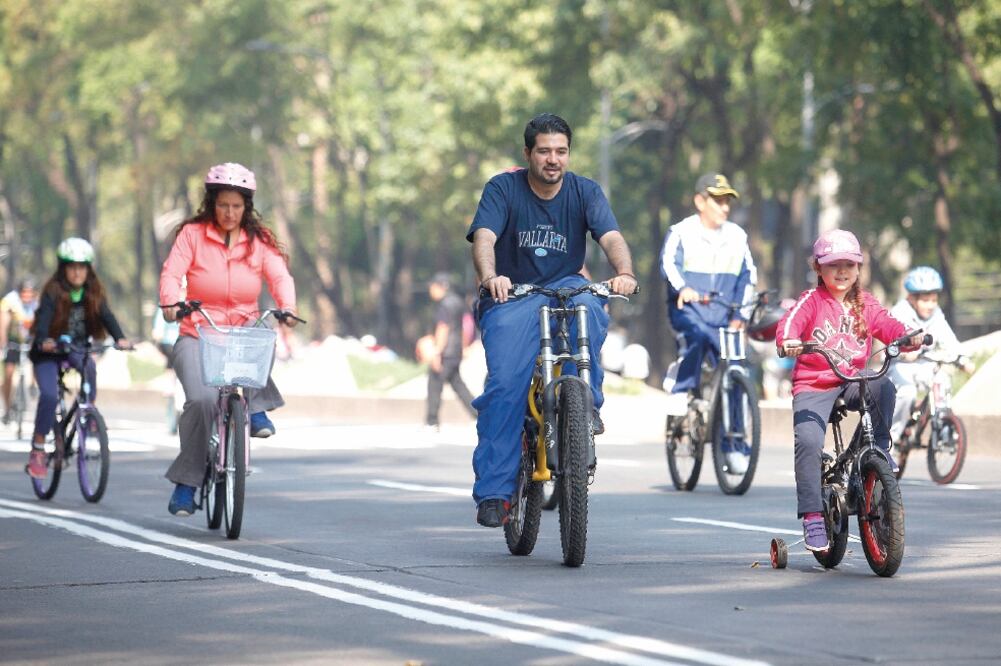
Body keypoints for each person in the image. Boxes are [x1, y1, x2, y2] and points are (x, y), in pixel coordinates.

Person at [467, 113, 638, 527]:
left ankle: (585, 407)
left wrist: (625, 273)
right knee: (505, 387)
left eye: (561, 151)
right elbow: (485, 236)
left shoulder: (585, 191)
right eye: (543, 151)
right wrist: (491, 278)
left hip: (565, 286)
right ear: (528, 153)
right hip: (514, 293)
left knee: (593, 307)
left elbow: (611, 236)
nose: (553, 159)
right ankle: (495, 493)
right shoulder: (503, 188)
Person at [159, 162, 298, 516]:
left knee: (264, 330)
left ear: (246, 206)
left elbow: (280, 276)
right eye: (223, 205)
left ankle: (252, 407)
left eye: (237, 206)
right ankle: (188, 483)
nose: (230, 213)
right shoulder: (192, 234)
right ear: (211, 203)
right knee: (203, 402)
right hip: (198, 332)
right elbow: (172, 273)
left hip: (242, 330)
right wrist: (171, 304)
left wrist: (288, 308)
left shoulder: (259, 241)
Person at [775, 229, 922, 552]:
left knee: (882, 383)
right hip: (814, 383)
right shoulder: (811, 301)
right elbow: (789, 324)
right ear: (818, 268)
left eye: (849, 265)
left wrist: (907, 335)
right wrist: (788, 342)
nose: (842, 272)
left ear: (859, 269)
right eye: (833, 265)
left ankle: (878, 450)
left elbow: (888, 324)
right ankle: (813, 514)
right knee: (809, 442)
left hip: (851, 378)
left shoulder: (864, 303)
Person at [659, 173, 757, 473]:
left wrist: (741, 314)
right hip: (689, 311)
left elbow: (748, 277)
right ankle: (681, 387)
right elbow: (667, 263)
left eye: (727, 201)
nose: (724, 207)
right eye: (717, 200)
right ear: (700, 201)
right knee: (697, 337)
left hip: (725, 316)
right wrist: (683, 288)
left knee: (738, 369)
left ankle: (736, 446)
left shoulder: (738, 236)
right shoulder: (681, 231)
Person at [25, 238, 132, 479]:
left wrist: (120, 338)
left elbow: (107, 316)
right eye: (72, 267)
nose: (77, 272)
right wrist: (43, 339)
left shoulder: (93, 292)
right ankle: (39, 448)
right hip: (48, 352)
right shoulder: (53, 292)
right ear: (63, 269)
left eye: (82, 267)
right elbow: (43, 320)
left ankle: (87, 413)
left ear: (89, 269)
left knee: (90, 367)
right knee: (50, 396)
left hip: (75, 347)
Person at [888, 266, 975, 444]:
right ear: (911, 298)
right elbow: (890, 340)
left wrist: (963, 359)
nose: (930, 305)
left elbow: (949, 339)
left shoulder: (936, 316)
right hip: (900, 366)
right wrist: (904, 354)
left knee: (941, 381)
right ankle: (891, 439)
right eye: (925, 300)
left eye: (934, 300)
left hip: (924, 364)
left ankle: (943, 430)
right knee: (907, 393)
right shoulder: (899, 312)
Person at [422, 272, 476, 430]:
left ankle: (432, 421)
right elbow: (466, 327)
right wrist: (464, 347)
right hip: (455, 350)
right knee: (458, 385)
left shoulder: (445, 304)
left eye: (433, 287)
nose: (431, 291)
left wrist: (437, 352)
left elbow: (443, 328)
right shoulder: (458, 302)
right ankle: (478, 415)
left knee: (434, 384)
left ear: (441, 287)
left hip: (446, 352)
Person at [0, 277, 39, 422]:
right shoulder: (10, 301)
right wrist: (3, 343)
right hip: (13, 340)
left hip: (30, 340)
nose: (27, 296)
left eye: (30, 293)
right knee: (9, 373)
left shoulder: (38, 303)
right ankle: (8, 408)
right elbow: (3, 324)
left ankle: (33, 384)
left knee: (38, 357)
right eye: (24, 293)